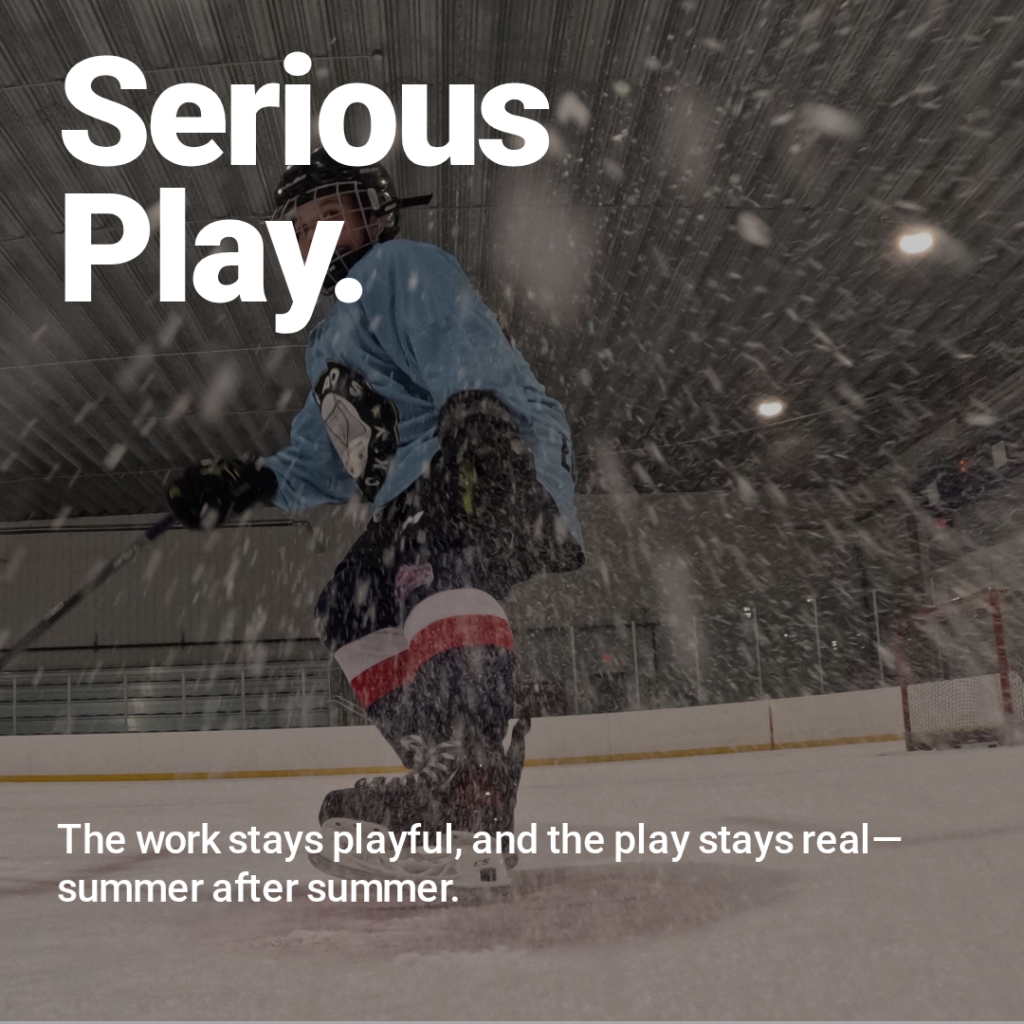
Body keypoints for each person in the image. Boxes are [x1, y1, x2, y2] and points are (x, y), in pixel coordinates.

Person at [166, 149, 584, 883]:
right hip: (417, 487)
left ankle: (473, 771)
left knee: (436, 556)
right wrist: (251, 481)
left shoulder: (401, 268)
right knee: (348, 604)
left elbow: (459, 337)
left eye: (329, 217)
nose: (314, 239)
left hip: (488, 454)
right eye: (300, 231)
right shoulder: (329, 341)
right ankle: (442, 777)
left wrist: (476, 415)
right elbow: (327, 458)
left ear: (373, 216)